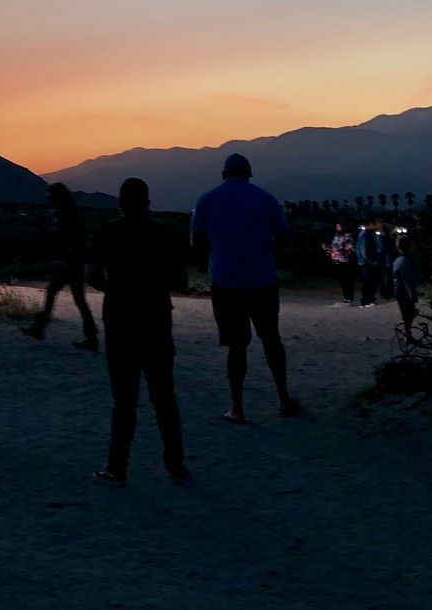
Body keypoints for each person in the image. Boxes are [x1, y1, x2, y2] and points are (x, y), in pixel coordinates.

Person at [85, 177, 189, 485]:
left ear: (119, 202)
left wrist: (116, 291)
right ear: (147, 202)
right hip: (156, 318)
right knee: (164, 397)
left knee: (124, 400)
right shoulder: (164, 233)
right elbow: (180, 281)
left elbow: (92, 276)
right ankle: (176, 464)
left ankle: (117, 467)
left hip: (119, 320)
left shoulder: (107, 232)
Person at [191, 153, 300, 423]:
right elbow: (284, 238)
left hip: (226, 282)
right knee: (271, 339)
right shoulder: (265, 199)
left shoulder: (207, 199)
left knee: (236, 346)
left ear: (223, 174)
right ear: (249, 174)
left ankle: (237, 407)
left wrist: (212, 259)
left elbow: (197, 241)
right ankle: (284, 399)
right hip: (262, 280)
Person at [21, 183, 100, 350]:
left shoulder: (66, 215)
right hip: (75, 261)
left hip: (71, 262)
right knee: (77, 299)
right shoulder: (70, 213)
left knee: (57, 292)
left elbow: (69, 239)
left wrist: (67, 257)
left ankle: (40, 328)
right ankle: (91, 336)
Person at [393, 234, 419, 345]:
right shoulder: (405, 261)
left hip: (399, 289)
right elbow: (407, 280)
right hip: (403, 290)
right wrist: (412, 295)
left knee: (408, 314)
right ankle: (407, 335)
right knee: (409, 313)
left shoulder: (399, 260)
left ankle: (407, 334)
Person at [325, 223, 357, 305]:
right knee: (342, 280)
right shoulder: (336, 236)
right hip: (337, 261)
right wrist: (328, 249)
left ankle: (349, 298)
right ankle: (346, 297)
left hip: (346, 261)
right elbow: (333, 247)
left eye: (339, 226)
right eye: (337, 226)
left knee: (348, 280)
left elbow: (348, 248)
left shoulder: (348, 236)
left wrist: (338, 250)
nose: (337, 228)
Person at [356, 221, 382, 307]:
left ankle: (367, 300)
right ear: (371, 225)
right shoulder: (365, 234)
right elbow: (364, 249)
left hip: (367, 262)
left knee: (369, 282)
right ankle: (366, 301)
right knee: (368, 282)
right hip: (367, 262)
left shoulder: (369, 234)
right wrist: (370, 260)